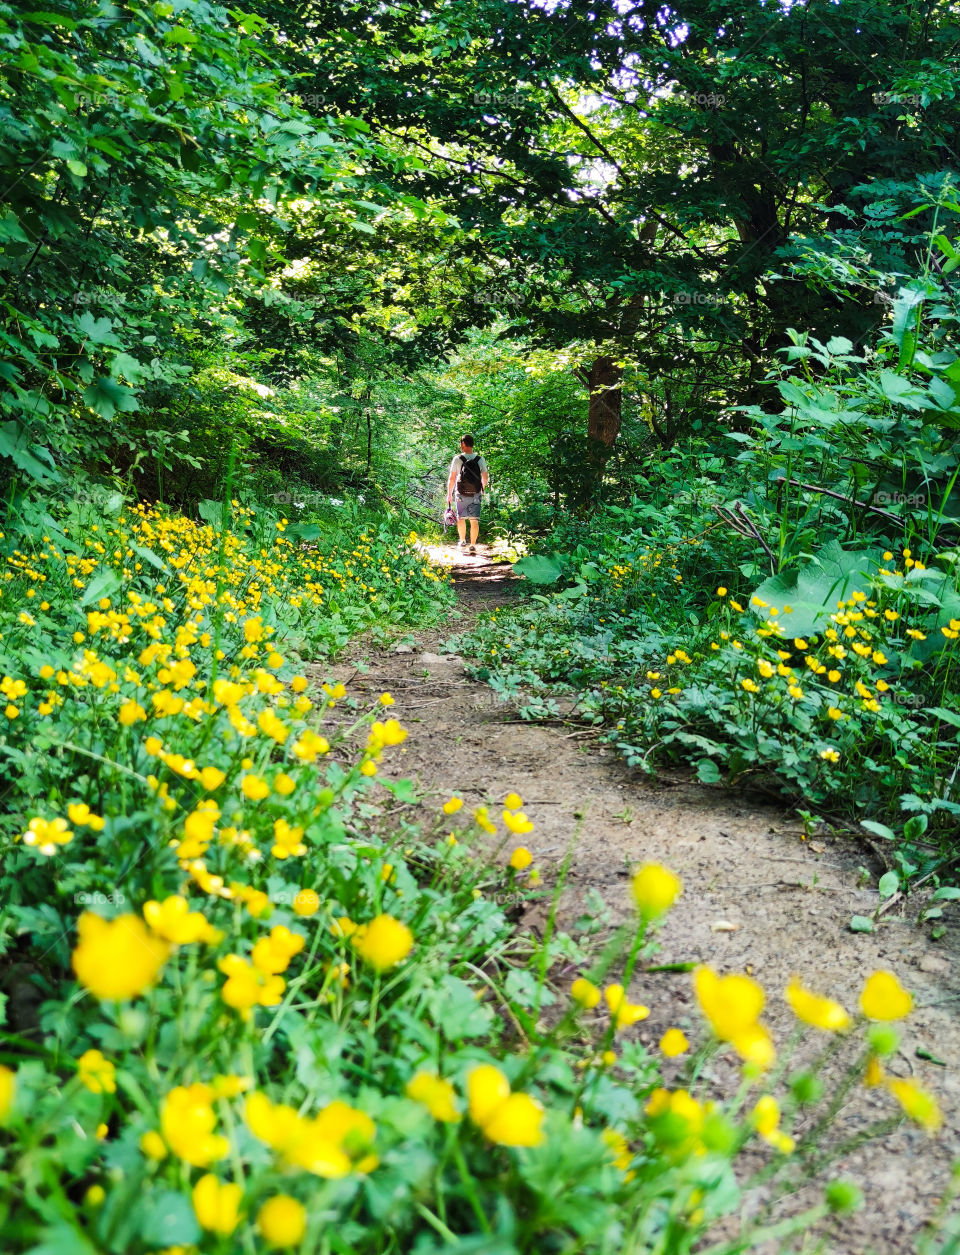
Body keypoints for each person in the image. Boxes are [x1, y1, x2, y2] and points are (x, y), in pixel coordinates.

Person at [446, 433, 489, 553]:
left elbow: (452, 478)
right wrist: (481, 488)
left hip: (460, 493)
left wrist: (449, 493)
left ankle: (462, 540)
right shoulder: (480, 459)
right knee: (474, 520)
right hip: (476, 493)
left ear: (463, 444)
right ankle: (473, 544)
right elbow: (485, 476)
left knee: (461, 518)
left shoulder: (457, 458)